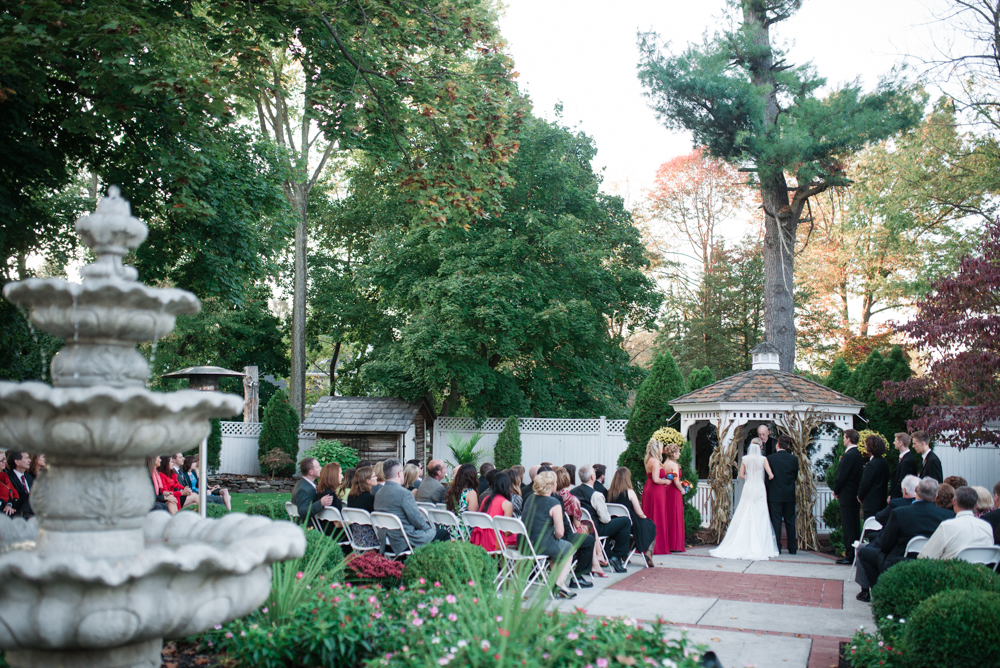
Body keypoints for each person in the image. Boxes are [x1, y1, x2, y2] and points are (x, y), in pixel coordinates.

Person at [856, 477, 954, 601]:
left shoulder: (899, 513)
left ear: (917, 490)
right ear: (935, 496)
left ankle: (881, 593)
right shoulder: (948, 515)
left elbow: (885, 545)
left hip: (901, 560)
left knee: (864, 552)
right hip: (932, 561)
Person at [710, 439, 778, 560]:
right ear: (761, 447)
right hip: (759, 488)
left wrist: (749, 476)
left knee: (744, 511)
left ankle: (740, 541)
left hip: (749, 486)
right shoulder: (763, 459)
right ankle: (761, 545)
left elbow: (741, 475)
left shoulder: (745, 459)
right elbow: (771, 475)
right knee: (760, 513)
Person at [520, 471, 577, 599]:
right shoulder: (554, 503)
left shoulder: (530, 498)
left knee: (556, 550)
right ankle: (559, 583)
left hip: (525, 545)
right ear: (551, 486)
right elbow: (560, 533)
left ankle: (555, 584)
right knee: (568, 548)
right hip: (541, 545)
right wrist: (556, 538)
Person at [373, 458, 451, 552]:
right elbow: (416, 519)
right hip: (404, 539)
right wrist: (429, 530)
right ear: (399, 474)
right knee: (443, 533)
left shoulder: (378, 493)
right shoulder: (404, 494)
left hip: (385, 539)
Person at [572, 464, 630, 573]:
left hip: (578, 526)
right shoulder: (596, 495)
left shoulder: (573, 492)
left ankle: (608, 553)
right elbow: (605, 520)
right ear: (592, 477)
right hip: (595, 528)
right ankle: (617, 556)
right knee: (625, 521)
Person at [918, 486, 994, 560]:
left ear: (954, 502)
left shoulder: (946, 526)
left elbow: (925, 557)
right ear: (976, 505)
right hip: (982, 571)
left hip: (952, 571)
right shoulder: (987, 526)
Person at [553, 467, 598, 584]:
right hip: (566, 532)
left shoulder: (552, 495)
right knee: (590, 535)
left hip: (552, 531)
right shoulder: (572, 499)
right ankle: (583, 572)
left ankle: (597, 561)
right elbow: (577, 523)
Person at [606, 466, 656, 566]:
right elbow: (639, 512)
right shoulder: (630, 492)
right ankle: (648, 553)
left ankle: (626, 553)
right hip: (630, 525)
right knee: (651, 525)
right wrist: (644, 517)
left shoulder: (610, 493)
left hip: (613, 525)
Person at [833, 429, 864, 565]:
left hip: (847, 495)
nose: (843, 440)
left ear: (849, 439)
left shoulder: (849, 455)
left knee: (848, 526)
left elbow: (841, 476)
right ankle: (854, 554)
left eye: (844, 437)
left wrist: (836, 490)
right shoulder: (858, 454)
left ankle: (850, 555)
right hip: (854, 494)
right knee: (854, 525)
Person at [766, 434, 799, 554]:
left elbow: (767, 478)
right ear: (788, 446)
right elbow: (795, 476)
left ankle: (777, 547)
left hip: (775, 494)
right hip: (789, 494)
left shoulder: (770, 458)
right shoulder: (794, 459)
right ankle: (792, 548)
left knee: (776, 521)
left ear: (777, 444)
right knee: (790, 521)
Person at [470, 471, 516, 551]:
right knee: (521, 537)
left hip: (480, 538)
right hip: (495, 541)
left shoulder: (485, 499)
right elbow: (506, 532)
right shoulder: (506, 504)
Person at [642, 438, 672, 554]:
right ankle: (657, 545)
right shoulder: (654, 461)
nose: (663, 450)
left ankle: (649, 544)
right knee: (657, 514)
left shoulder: (648, 460)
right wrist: (666, 482)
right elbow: (655, 479)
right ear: (657, 449)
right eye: (661, 447)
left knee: (651, 513)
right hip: (655, 490)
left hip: (650, 488)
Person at [660, 440, 688, 553]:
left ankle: (669, 542)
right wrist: (682, 490)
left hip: (667, 490)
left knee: (668, 515)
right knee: (675, 515)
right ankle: (675, 544)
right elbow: (676, 481)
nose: (679, 454)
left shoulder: (664, 464)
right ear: (673, 453)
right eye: (678, 452)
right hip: (674, 492)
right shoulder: (674, 465)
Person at [292, 457, 335, 523]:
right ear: (311, 472)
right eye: (318, 467)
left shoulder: (303, 484)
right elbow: (302, 512)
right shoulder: (303, 489)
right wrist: (320, 503)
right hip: (309, 527)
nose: (320, 468)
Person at [858, 435, 890, 519]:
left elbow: (865, 483)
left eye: (866, 444)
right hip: (882, 500)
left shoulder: (871, 465)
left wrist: (860, 496)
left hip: (871, 503)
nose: (865, 446)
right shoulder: (884, 463)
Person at [346, 466, 379, 548]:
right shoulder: (370, 498)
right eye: (374, 476)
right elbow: (377, 520)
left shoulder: (351, 496)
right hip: (372, 538)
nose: (377, 477)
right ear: (368, 481)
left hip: (356, 536)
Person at [445, 464, 480, 538]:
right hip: (463, 532)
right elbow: (472, 517)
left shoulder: (451, 490)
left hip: (449, 529)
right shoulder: (470, 493)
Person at [888, 433, 918, 501]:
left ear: (901, 443)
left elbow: (902, 481)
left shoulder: (907, 461)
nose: (893, 443)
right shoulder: (903, 458)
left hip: (901, 498)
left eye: (895, 441)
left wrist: (893, 497)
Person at [4, 451, 34, 518]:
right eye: (26, 458)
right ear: (17, 462)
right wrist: (8, 505)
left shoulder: (29, 477)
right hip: (17, 513)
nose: (30, 460)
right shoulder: (7, 477)